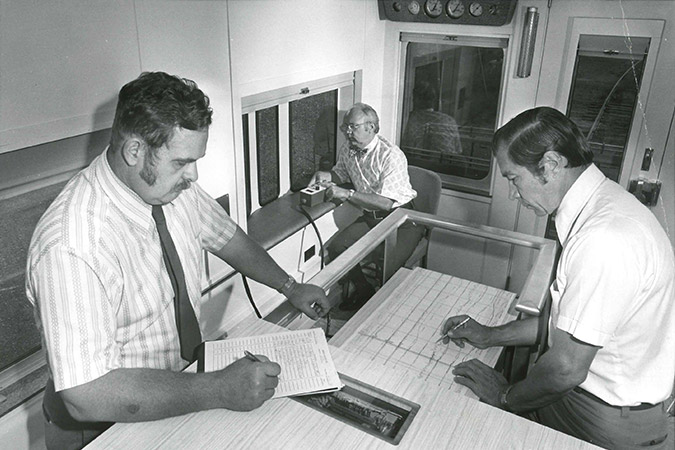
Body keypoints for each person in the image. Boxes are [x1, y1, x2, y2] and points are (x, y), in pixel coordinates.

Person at [26, 71, 330, 450]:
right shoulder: (72, 243)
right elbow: (86, 393)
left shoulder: (168, 187)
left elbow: (227, 237)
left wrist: (289, 285)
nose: (194, 174)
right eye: (182, 162)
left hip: (170, 390)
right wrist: (218, 389)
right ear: (135, 151)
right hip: (100, 427)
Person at [441, 107, 674, 449]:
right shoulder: (606, 207)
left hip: (600, 419)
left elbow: (566, 367)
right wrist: (491, 336)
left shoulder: (603, 237)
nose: (513, 193)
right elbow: (569, 330)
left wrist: (505, 396)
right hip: (587, 400)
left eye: (513, 178)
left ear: (549, 165)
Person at [309, 103, 424, 311]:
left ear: (371, 128)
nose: (347, 132)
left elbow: (385, 202)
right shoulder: (349, 148)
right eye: (346, 127)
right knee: (337, 249)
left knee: (389, 270)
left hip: (402, 220)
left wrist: (348, 194)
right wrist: (325, 176)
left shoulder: (391, 155)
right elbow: (340, 174)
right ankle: (364, 292)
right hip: (372, 218)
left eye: (353, 127)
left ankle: (385, 313)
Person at [401, 80, 462, 159]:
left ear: (415, 99)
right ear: (434, 100)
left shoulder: (409, 119)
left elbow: (405, 150)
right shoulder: (449, 120)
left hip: (420, 165)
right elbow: (459, 150)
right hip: (448, 165)